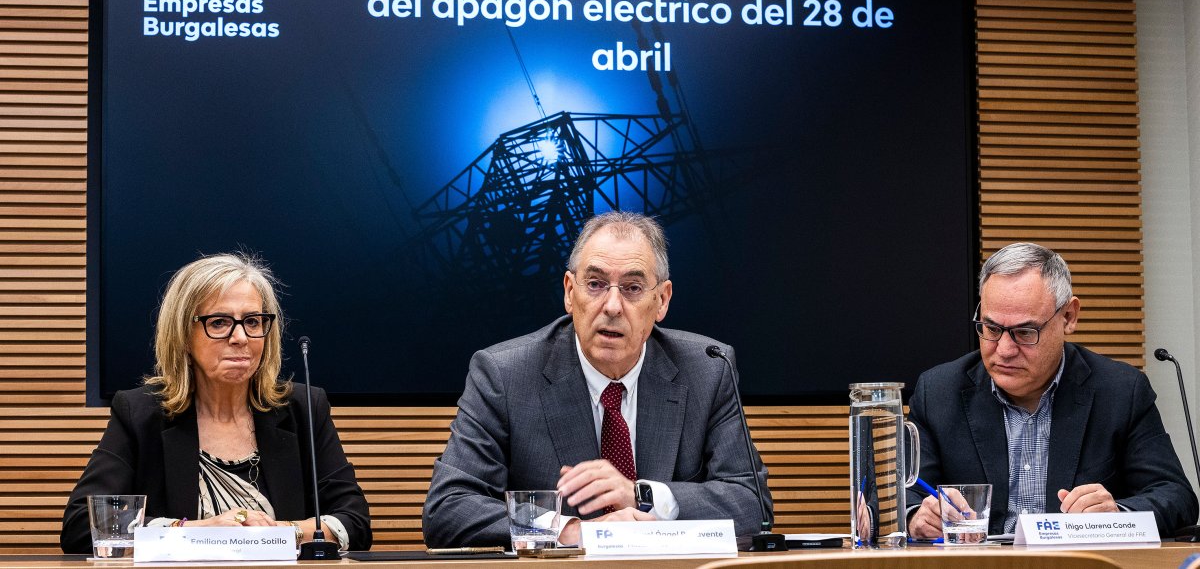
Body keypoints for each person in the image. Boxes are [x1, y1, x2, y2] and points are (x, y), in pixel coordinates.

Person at [422, 211, 771, 548]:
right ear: (569, 292)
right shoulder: (504, 374)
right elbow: (449, 509)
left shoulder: (709, 370)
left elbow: (752, 504)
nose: (612, 306)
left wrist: (643, 495)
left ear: (661, 300)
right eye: (595, 284)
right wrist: (575, 532)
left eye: (632, 287)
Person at [61, 253, 371, 553]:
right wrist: (194, 531)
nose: (241, 337)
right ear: (183, 334)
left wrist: (279, 534)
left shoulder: (304, 409)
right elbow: (83, 525)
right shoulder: (140, 413)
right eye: (220, 322)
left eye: (253, 321)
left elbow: (354, 521)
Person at [907, 242, 1198, 537]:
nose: (1004, 350)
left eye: (1024, 332)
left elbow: (1176, 496)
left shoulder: (1121, 391)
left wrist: (1116, 515)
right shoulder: (938, 392)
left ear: (1068, 317)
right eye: (992, 329)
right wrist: (916, 515)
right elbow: (902, 493)